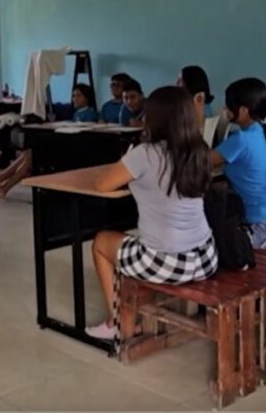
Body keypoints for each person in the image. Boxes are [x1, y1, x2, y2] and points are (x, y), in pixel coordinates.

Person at [85, 86, 218, 340]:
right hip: (205, 258)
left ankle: (116, 323)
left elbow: (102, 184)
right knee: (136, 237)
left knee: (102, 242)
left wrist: (125, 160)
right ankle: (123, 315)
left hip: (165, 264)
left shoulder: (145, 154)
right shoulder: (200, 150)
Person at [210, 78, 266, 250]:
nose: (224, 109)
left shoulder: (241, 140)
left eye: (228, 105)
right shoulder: (264, 132)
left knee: (208, 243)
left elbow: (201, 163)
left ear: (243, 111)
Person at [0, 84, 100, 197]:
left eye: (78, 96)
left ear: (86, 98)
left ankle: (4, 185)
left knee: (32, 158)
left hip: (73, 150)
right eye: (74, 95)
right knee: (29, 152)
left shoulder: (90, 113)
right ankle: (1, 177)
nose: (75, 98)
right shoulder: (75, 113)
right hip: (65, 144)